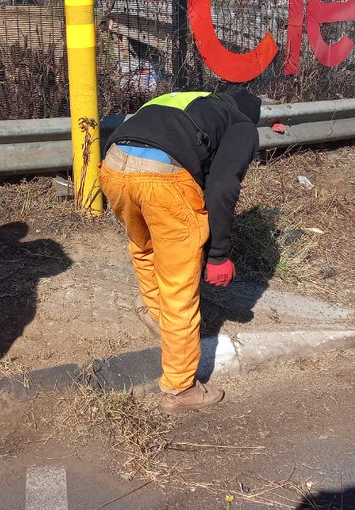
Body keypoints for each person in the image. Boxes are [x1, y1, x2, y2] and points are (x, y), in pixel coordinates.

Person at [100, 88, 261, 411]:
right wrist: (218, 255)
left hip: (114, 166)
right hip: (162, 179)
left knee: (145, 248)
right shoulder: (242, 125)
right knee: (179, 285)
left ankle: (152, 309)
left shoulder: (186, 100)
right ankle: (180, 389)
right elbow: (221, 187)